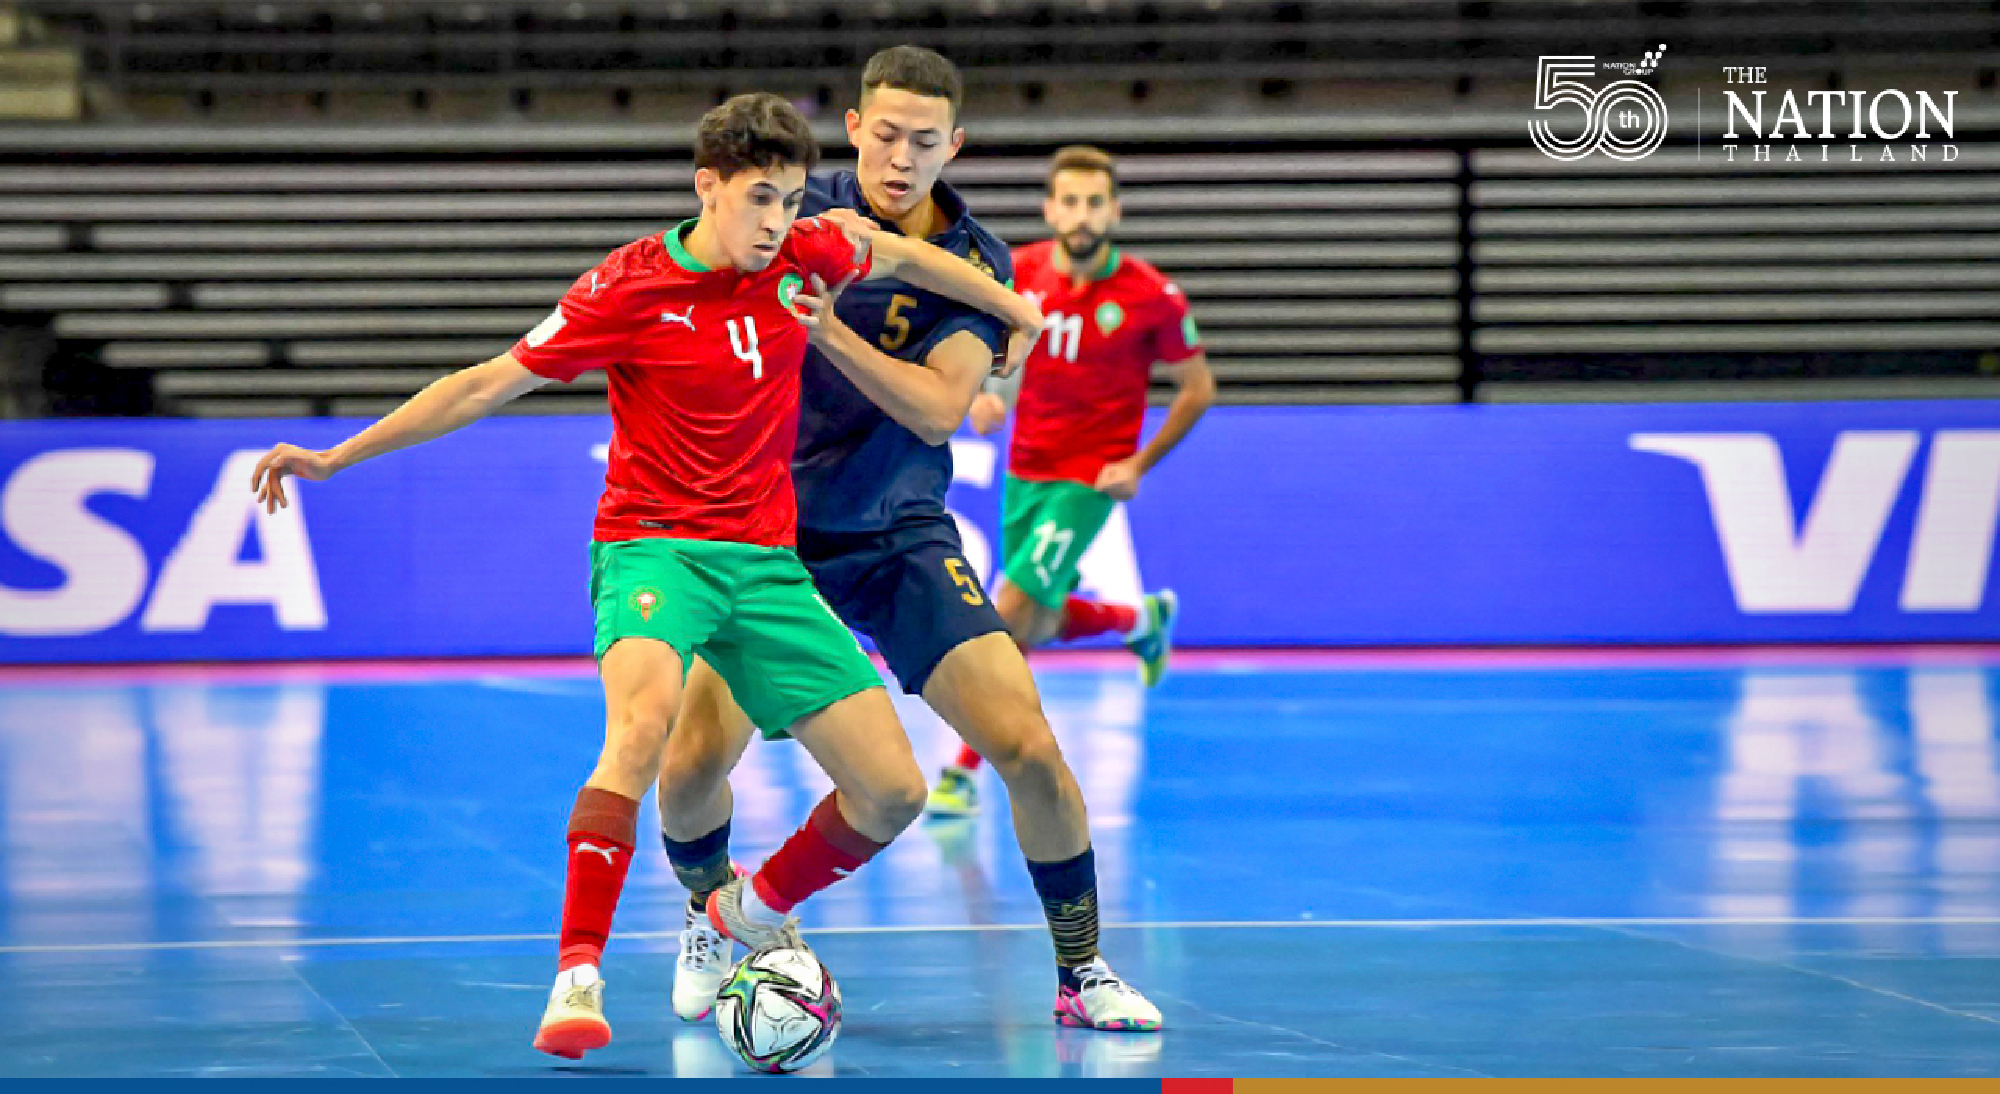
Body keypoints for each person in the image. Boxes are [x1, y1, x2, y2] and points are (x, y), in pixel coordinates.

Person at [247, 91, 1042, 1062]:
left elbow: (899, 253)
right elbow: (484, 381)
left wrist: (1007, 307)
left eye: (790, 200)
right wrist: (336, 457)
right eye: (757, 199)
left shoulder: (803, 251)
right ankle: (576, 973)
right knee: (641, 732)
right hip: (654, 545)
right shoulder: (626, 288)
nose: (776, 223)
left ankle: (739, 910)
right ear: (705, 186)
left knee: (890, 791)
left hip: (766, 561)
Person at [657, 47, 1164, 1033]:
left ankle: (1081, 971)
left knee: (1027, 745)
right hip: (770, 538)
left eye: (922, 141)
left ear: (954, 145)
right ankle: (711, 914)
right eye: (883, 134)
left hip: (898, 535)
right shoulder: (798, 206)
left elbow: (938, 411)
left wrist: (835, 329)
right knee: (685, 767)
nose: (899, 157)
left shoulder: (977, 260)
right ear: (853, 128)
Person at [929, 144, 1215, 816]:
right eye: (1070, 202)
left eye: (1095, 203)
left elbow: (1198, 389)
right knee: (1043, 617)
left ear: (1113, 210)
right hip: (1026, 470)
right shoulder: (1019, 271)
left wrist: (1138, 465)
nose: (1082, 216)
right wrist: (979, 394)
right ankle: (1137, 619)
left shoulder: (1151, 295)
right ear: (1050, 208)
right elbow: (967, 338)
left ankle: (963, 771)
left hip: (1087, 482)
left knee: (1010, 615)